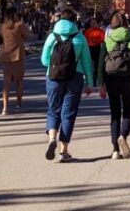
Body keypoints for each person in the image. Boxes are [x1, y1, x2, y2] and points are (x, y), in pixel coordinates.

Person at [41, 8, 94, 162]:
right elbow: (86, 62)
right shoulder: (80, 38)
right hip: (75, 78)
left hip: (53, 77)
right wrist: (89, 83)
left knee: (53, 110)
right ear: (74, 21)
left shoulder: (52, 36)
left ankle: (52, 138)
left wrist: (56, 65)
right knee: (68, 113)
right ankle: (64, 151)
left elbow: (44, 60)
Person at [98, 12, 130, 160]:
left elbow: (100, 64)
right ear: (126, 23)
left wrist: (101, 84)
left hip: (111, 78)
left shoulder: (107, 40)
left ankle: (115, 150)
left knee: (115, 113)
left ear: (112, 24)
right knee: (128, 110)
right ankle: (123, 136)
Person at [0, 9, 30, 115]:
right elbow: (26, 35)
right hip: (18, 55)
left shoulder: (3, 26)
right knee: (19, 81)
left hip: (6, 55)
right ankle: (18, 105)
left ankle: (5, 107)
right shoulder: (19, 25)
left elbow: (1, 37)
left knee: (6, 82)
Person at [84, 18, 105, 85]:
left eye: (94, 22)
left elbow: (103, 39)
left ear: (97, 23)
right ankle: (90, 80)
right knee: (89, 65)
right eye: (91, 23)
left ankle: (96, 79)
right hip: (89, 48)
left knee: (97, 65)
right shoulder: (87, 32)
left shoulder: (101, 31)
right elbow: (85, 40)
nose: (92, 24)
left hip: (97, 48)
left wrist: (97, 41)